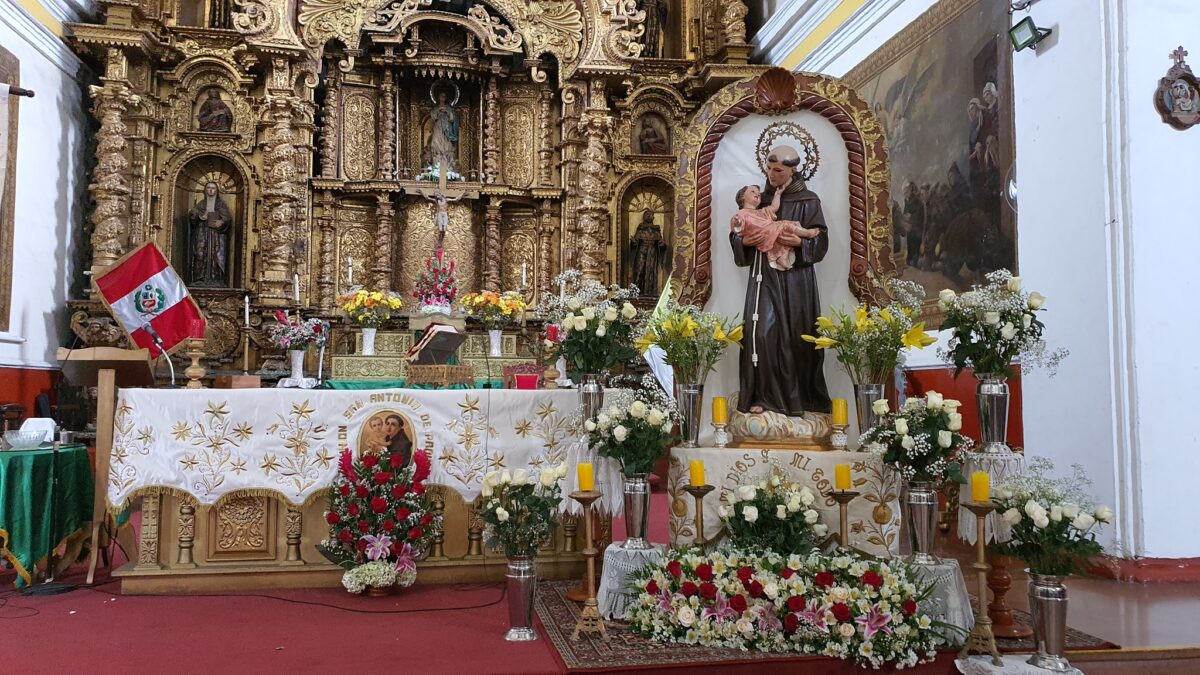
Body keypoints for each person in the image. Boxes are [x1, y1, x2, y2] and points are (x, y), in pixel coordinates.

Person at [729, 145, 831, 417]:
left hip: (797, 282)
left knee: (799, 337)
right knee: (762, 334)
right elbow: (738, 236)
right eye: (769, 168)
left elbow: (820, 241)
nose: (771, 175)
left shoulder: (809, 200)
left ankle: (800, 401)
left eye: (778, 170)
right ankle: (764, 395)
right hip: (765, 277)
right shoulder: (758, 202)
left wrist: (800, 242)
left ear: (792, 170)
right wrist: (743, 240)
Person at [731, 184, 799, 271]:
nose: (758, 195)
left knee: (782, 238)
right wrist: (742, 240)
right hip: (763, 236)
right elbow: (737, 229)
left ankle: (782, 257)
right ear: (742, 197)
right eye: (753, 192)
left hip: (771, 232)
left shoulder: (761, 212)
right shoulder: (742, 213)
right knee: (783, 227)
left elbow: (774, 207)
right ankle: (805, 233)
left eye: (759, 194)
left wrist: (777, 195)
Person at [188, 181, 232, 286]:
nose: (211, 190)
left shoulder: (220, 204)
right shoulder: (201, 204)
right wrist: (195, 214)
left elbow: (227, 218)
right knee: (200, 254)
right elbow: (194, 217)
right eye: (208, 188)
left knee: (216, 255)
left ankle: (216, 279)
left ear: (216, 190)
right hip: (202, 232)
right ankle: (200, 278)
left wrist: (221, 222)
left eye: (213, 188)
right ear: (205, 190)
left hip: (217, 235)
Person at [629, 210, 669, 296]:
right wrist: (633, 242)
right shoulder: (640, 228)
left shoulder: (656, 229)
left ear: (653, 217)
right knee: (639, 270)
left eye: (650, 215)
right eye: (646, 215)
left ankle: (650, 293)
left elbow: (660, 243)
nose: (648, 216)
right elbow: (635, 242)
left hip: (652, 252)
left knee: (650, 272)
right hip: (641, 251)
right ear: (643, 217)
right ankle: (635, 293)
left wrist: (662, 245)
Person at [423, 88, 459, 172]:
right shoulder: (436, 108)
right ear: (438, 98)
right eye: (441, 96)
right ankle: (436, 165)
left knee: (447, 146)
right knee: (435, 143)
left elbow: (453, 119)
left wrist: (447, 112)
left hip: (447, 129)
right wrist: (438, 111)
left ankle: (448, 166)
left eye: (444, 96)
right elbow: (433, 116)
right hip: (438, 127)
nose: (442, 98)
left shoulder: (449, 108)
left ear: (446, 98)